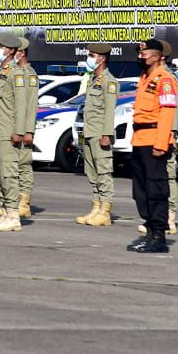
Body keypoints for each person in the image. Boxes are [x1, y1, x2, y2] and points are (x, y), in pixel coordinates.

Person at [127, 38, 177, 254]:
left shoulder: (165, 79)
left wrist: (161, 143)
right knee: (141, 191)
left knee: (156, 189)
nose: (141, 56)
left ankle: (159, 236)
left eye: (144, 53)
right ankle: (148, 231)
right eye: (139, 53)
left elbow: (167, 113)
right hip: (140, 140)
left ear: (157, 56)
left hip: (154, 140)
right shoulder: (145, 78)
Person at [0, 33, 27, 233]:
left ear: (10, 50)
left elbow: (21, 105)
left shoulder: (16, 74)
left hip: (7, 132)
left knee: (9, 174)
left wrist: (19, 131)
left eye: (0, 46)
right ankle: (4, 212)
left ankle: (13, 214)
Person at [76, 43, 118, 227]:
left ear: (102, 58)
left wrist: (107, 134)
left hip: (101, 133)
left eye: (92, 55)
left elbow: (109, 111)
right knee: (92, 172)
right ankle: (96, 207)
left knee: (103, 172)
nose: (89, 58)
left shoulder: (109, 82)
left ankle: (105, 211)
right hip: (89, 132)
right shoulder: (94, 79)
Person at [13, 38, 39, 219]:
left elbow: (31, 105)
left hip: (23, 129)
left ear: (21, 53)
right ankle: (14, 201)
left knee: (23, 165)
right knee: (12, 166)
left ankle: (24, 202)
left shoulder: (29, 75)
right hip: (12, 127)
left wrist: (28, 131)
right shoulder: (14, 73)